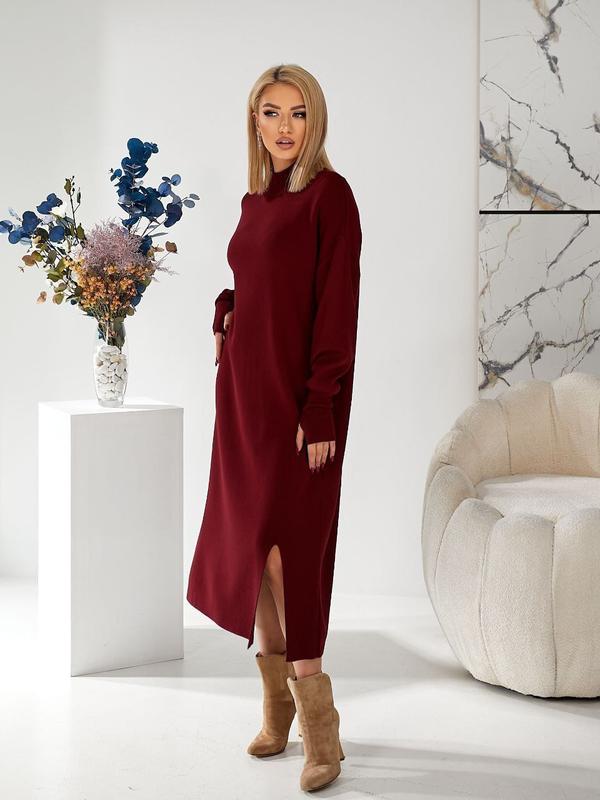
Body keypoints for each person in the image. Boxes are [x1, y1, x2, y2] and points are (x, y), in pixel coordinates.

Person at [186, 63, 362, 792]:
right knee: (254, 555)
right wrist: (228, 307)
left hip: (299, 406)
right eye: (271, 112)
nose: (284, 126)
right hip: (244, 401)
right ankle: (276, 711)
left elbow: (335, 307)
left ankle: (323, 732)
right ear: (255, 123)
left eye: (298, 113)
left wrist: (320, 405)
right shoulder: (256, 201)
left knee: (292, 557)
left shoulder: (331, 196)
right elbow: (262, 282)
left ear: (314, 121)